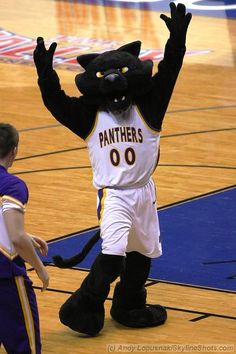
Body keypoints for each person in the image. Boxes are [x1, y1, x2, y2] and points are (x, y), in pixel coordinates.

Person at [33, 2, 191, 335]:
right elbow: (56, 102)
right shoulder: (88, 116)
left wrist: (177, 40)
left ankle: (129, 305)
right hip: (115, 195)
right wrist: (45, 74)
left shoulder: (149, 106)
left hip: (145, 192)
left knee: (143, 252)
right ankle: (84, 305)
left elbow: (170, 73)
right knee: (113, 254)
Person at [0, 123, 49, 353]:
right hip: (7, 280)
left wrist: (25, 235)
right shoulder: (12, 185)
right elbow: (16, 238)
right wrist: (40, 268)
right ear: (14, 151)